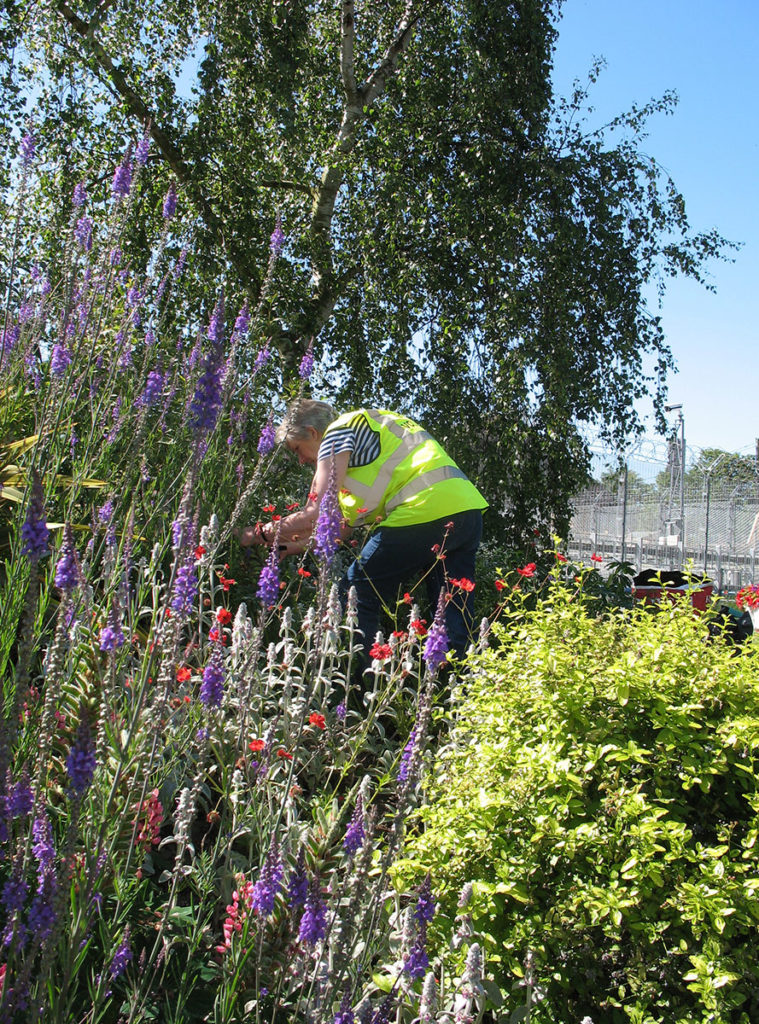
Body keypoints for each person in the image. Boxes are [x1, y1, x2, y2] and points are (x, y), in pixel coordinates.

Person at [241, 400, 487, 663]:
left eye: (298, 449)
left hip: (423, 509)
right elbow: (338, 530)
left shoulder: (337, 433)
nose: (301, 460)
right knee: (453, 606)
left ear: (313, 433)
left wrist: (257, 534)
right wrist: (286, 547)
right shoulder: (365, 434)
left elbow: (315, 513)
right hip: (467, 511)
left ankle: (365, 682)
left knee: (354, 596)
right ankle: (455, 691)